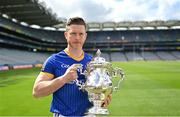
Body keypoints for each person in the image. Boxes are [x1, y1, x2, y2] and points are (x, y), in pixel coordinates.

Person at [32, 17, 112, 116]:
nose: (77, 38)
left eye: (81, 34)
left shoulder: (93, 62)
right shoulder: (54, 60)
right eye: (73, 33)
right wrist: (63, 79)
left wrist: (101, 100)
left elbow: (98, 90)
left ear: (85, 36)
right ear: (66, 35)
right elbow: (37, 91)